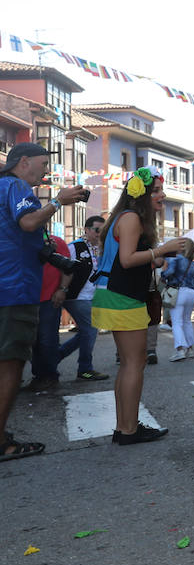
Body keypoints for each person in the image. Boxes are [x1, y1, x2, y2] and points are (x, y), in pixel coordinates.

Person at [90, 167, 190, 445]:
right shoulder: (132, 217)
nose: (162, 195)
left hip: (114, 293)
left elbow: (129, 257)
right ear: (142, 194)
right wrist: (161, 250)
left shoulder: (123, 217)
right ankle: (129, 429)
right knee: (135, 363)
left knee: (128, 365)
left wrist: (156, 258)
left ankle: (124, 427)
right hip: (123, 296)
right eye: (156, 190)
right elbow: (126, 259)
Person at [1, 144, 88, 460]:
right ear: (23, 162)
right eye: (42, 163)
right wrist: (56, 202)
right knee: (10, 363)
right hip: (14, 288)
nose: (46, 171)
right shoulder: (16, 185)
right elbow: (28, 223)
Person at [57, 215, 107, 381]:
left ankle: (55, 356)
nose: (100, 233)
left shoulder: (101, 248)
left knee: (87, 332)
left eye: (103, 230)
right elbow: (65, 269)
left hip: (93, 296)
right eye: (97, 230)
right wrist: (62, 290)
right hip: (76, 296)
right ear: (86, 230)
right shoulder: (75, 247)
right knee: (91, 329)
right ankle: (85, 368)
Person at [26, 232, 72, 393]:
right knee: (33, 341)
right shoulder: (20, 241)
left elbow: (67, 268)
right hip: (26, 299)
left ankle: (50, 376)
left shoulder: (57, 241)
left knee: (47, 340)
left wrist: (62, 290)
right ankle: (39, 377)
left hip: (48, 298)